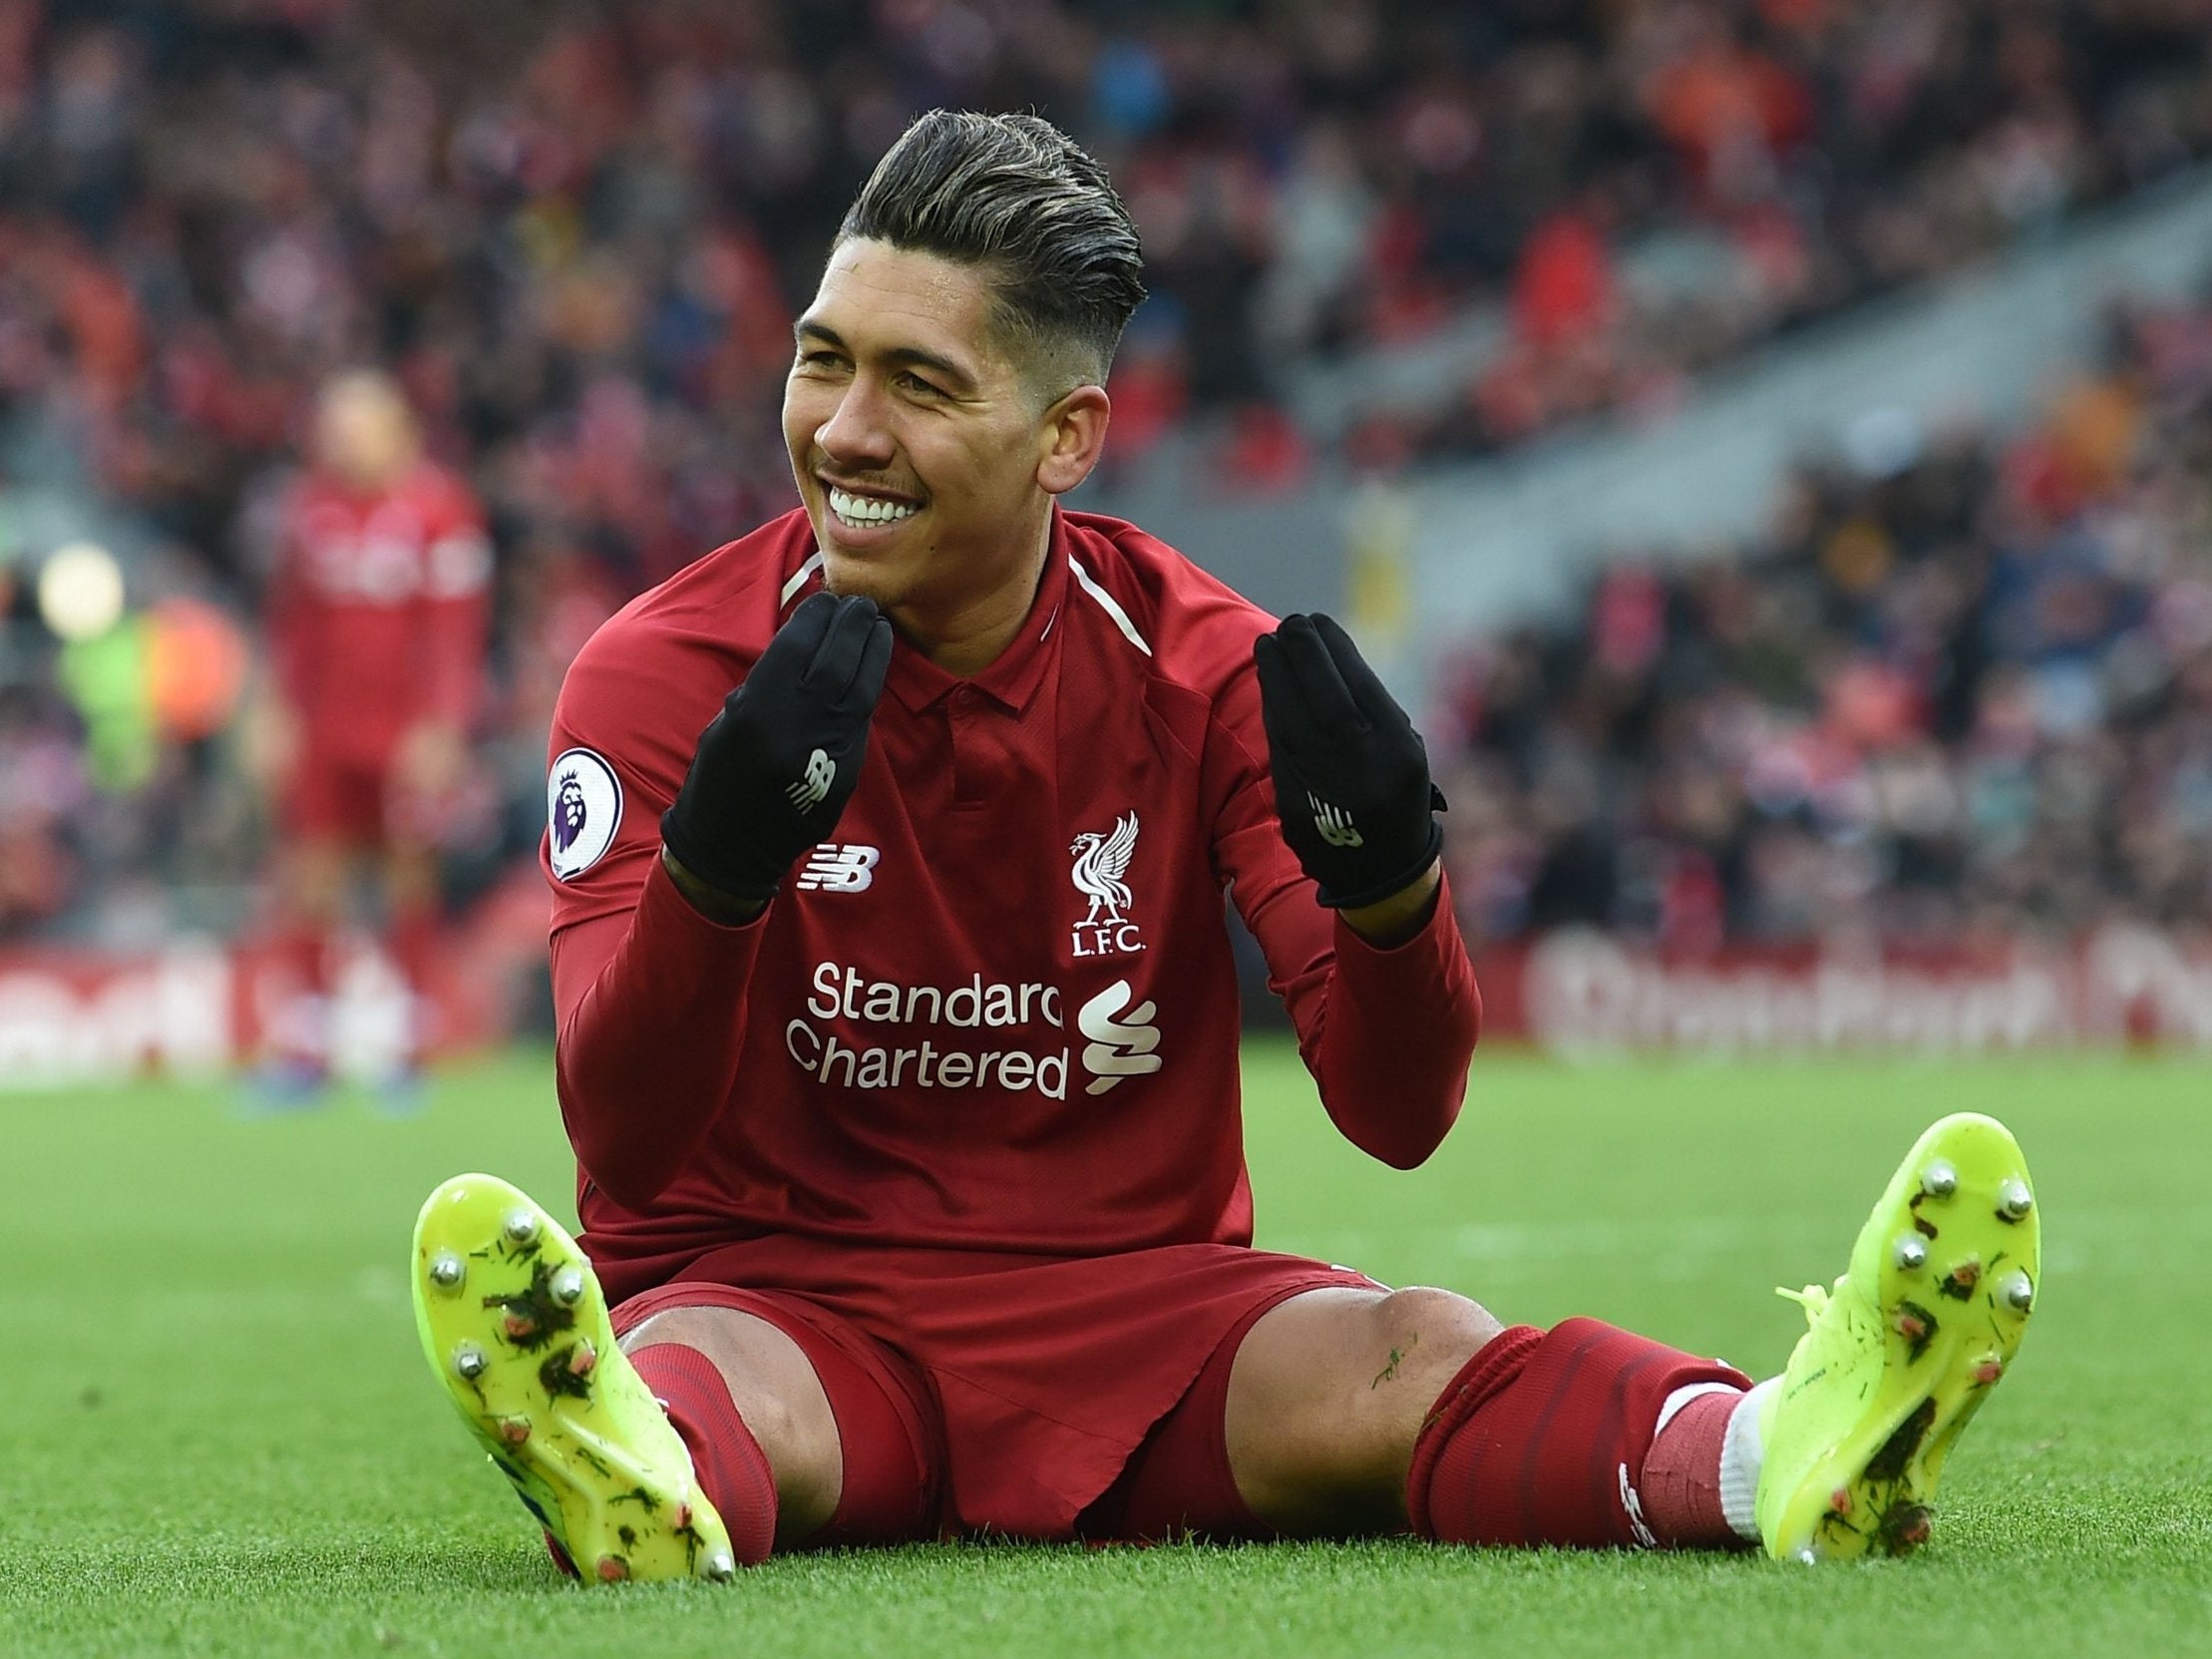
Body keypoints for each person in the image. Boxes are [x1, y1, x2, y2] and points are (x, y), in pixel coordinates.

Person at [409, 111, 2038, 1581]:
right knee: (718, 1385)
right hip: (781, 1301)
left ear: (1064, 436)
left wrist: (1395, 890)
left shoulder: (1199, 666)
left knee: (1411, 1343)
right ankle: (632, 1456)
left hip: (1137, 1309)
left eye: (917, 384)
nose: (840, 428)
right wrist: (721, 860)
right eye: (822, 360)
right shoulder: (663, 671)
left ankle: (1777, 1444)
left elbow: (1396, 1115)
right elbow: (619, 1136)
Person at [250, 369, 493, 1098]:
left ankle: (408, 1051)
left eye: (354, 426)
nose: (339, 441)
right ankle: (304, 1053)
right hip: (326, 728)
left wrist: (444, 726)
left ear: (396, 431)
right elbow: (291, 623)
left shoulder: (440, 512)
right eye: (333, 427)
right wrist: (276, 710)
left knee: (406, 877)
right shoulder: (309, 510)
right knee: (311, 877)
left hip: (402, 730)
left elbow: (457, 631)